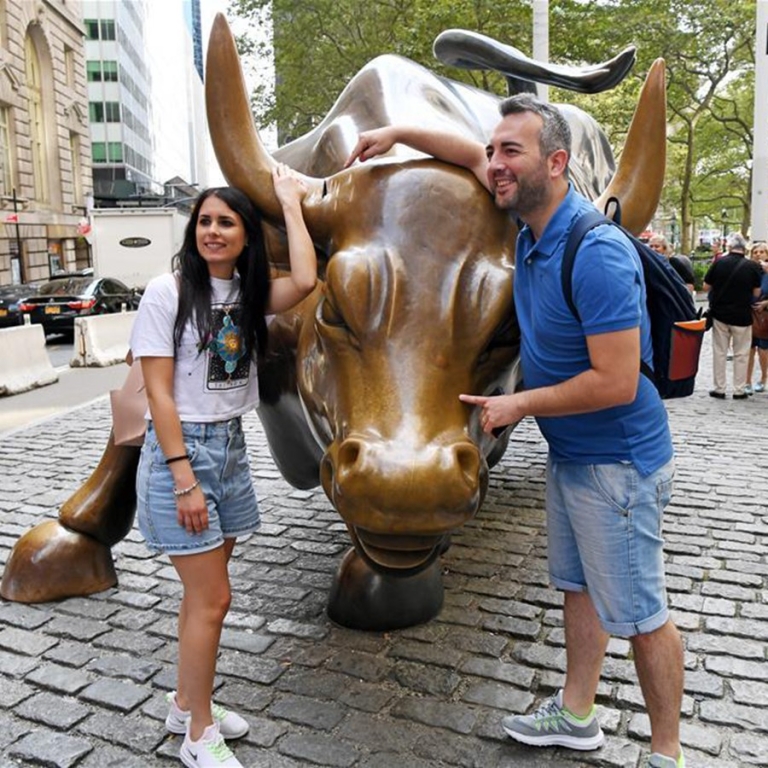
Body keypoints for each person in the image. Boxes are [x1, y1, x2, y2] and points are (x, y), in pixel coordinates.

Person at [345, 95, 684, 768]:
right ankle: (578, 714)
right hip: (574, 455)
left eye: (511, 153)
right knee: (577, 589)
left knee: (642, 615)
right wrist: (393, 132)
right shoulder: (528, 228)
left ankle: (667, 752)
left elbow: (616, 381)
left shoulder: (596, 252)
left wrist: (519, 405)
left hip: (618, 462)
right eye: (493, 152)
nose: (493, 165)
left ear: (556, 164)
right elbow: (464, 153)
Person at [130, 167, 317, 768]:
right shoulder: (168, 291)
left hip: (231, 449)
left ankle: (186, 702)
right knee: (213, 600)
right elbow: (157, 394)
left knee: (201, 598)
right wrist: (184, 478)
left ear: (245, 237)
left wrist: (290, 201)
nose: (212, 231)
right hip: (182, 453)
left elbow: (308, 279)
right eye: (204, 220)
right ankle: (199, 735)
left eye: (226, 223)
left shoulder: (249, 292)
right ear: (194, 229)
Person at [703, 232, 762, 400]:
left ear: (729, 247)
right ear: (745, 248)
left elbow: (706, 287)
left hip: (720, 314)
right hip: (742, 316)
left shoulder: (719, 263)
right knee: (742, 353)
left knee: (720, 351)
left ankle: (719, 388)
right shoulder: (752, 267)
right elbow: (756, 292)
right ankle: (739, 389)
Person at [746, 241, 768, 393]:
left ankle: (763, 378)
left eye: (761, 252)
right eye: (755, 252)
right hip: (747, 313)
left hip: (764, 315)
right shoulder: (747, 269)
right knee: (748, 349)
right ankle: (746, 381)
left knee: (763, 349)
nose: (758, 254)